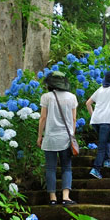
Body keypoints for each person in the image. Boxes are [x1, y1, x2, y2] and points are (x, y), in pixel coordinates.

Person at [37, 71, 78, 205]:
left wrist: (39, 136)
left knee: (50, 168)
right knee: (66, 167)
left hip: (50, 137)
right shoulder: (72, 97)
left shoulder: (46, 97)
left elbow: (43, 118)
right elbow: (73, 119)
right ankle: (66, 197)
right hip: (66, 137)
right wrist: (73, 135)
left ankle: (53, 198)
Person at [85, 70, 110, 179]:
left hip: (96, 121)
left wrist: (93, 115)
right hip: (106, 120)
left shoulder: (100, 89)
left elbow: (88, 103)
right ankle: (96, 169)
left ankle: (107, 161)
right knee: (102, 145)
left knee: (106, 140)